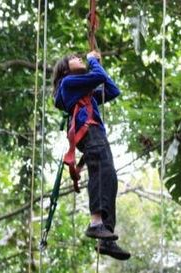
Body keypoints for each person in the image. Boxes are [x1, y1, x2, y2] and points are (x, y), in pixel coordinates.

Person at [51, 50, 130, 260]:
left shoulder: (85, 92)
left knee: (109, 177)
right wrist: (93, 60)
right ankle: (96, 223)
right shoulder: (68, 84)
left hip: (95, 134)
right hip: (89, 132)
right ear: (66, 69)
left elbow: (112, 89)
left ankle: (106, 237)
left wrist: (95, 65)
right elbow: (99, 77)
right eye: (74, 58)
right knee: (102, 172)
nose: (79, 58)